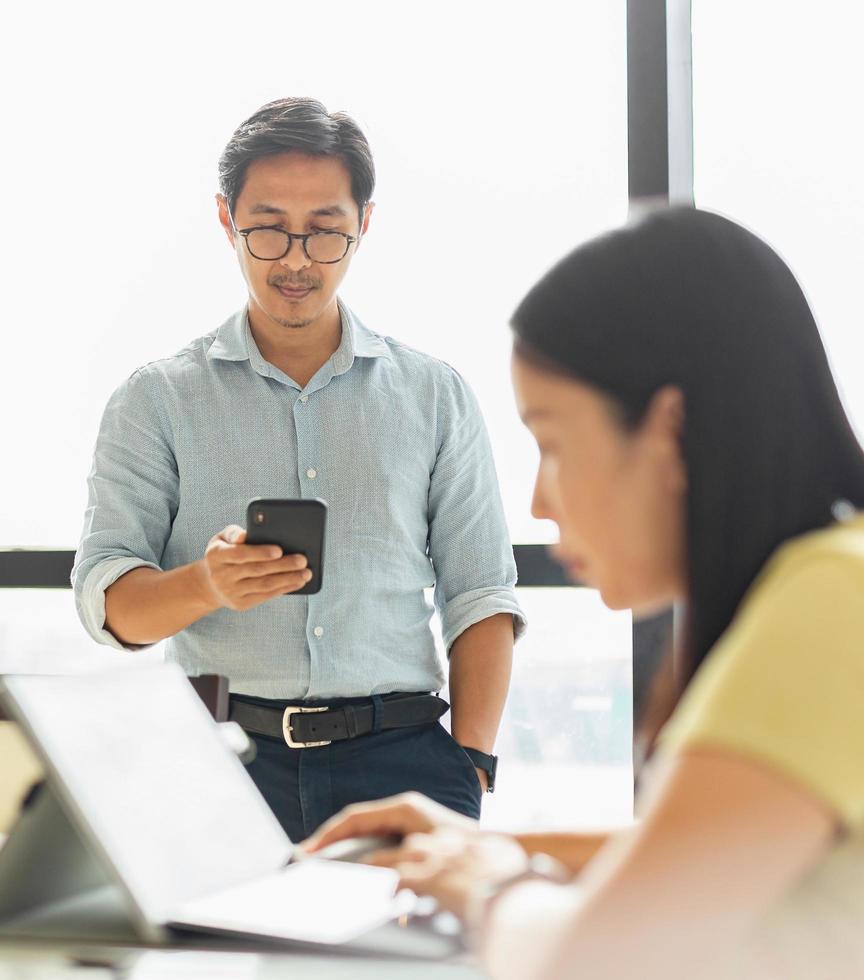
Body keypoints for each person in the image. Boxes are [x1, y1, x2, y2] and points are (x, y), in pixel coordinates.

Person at [305, 208, 864, 977]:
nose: (541, 503)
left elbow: (601, 964)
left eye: (552, 441)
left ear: (670, 429)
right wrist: (476, 845)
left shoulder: (843, 604)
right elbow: (701, 856)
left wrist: (486, 886)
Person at [71, 97, 524, 842]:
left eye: (324, 233)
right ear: (226, 218)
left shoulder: (434, 394)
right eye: (269, 227)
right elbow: (108, 602)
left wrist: (471, 763)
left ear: (364, 224)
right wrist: (205, 584)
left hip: (403, 762)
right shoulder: (156, 399)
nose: (294, 259)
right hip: (214, 764)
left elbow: (480, 593)